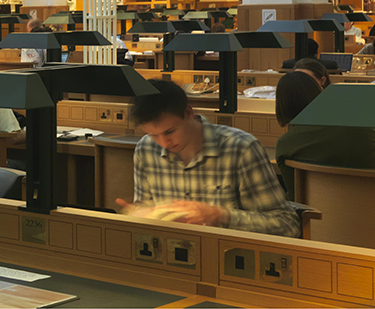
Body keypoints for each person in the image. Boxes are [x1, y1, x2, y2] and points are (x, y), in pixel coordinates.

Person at [118, 79, 299, 237]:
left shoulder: (240, 148)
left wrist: (220, 216)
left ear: (188, 112)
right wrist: (137, 214)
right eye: (153, 135)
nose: (164, 143)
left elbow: (287, 225)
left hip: (226, 254)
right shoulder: (146, 149)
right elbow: (145, 209)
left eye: (170, 131)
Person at [273, 71, 375, 201]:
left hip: (315, 212)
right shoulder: (364, 129)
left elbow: (295, 196)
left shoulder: (286, 144)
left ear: (282, 105)